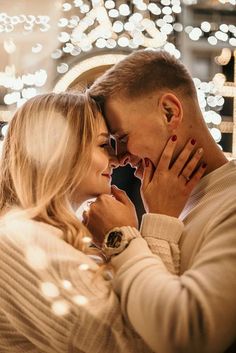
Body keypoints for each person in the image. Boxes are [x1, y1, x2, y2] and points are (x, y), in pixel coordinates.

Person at [0, 91, 203, 353]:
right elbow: (140, 344)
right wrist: (147, 226)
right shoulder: (22, 240)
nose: (117, 160)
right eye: (103, 145)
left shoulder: (42, 236)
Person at [87, 49, 236, 353]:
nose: (120, 159)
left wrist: (122, 240)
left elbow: (191, 333)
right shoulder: (165, 202)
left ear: (169, 112)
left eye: (121, 138)